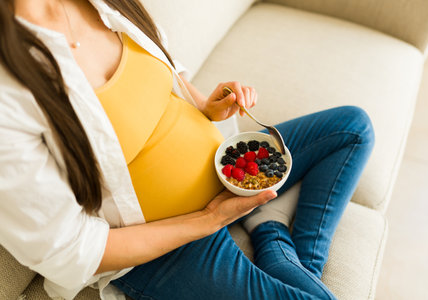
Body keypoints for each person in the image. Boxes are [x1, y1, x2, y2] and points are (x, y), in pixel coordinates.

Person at [0, 0, 374, 299]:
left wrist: (207, 106)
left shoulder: (101, 4)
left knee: (353, 129)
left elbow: (168, 77)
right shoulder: (8, 91)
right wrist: (209, 219)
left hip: (227, 170)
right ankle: (273, 233)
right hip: (167, 247)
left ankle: (283, 248)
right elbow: (67, 249)